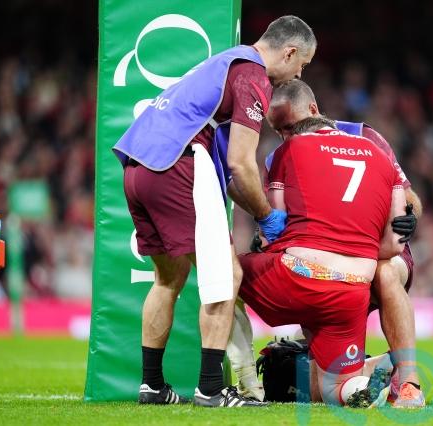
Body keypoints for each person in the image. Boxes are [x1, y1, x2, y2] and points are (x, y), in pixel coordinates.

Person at [112, 16, 316, 407]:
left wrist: (257, 210)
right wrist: (266, 216)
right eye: (302, 65)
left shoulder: (223, 63)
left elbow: (229, 175)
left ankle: (152, 386)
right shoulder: (252, 75)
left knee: (168, 277)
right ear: (289, 52)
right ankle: (210, 389)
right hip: (177, 165)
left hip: (138, 165)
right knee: (227, 275)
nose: (298, 74)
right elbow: (241, 163)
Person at [264, 79, 424, 407]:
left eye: (289, 127)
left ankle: (409, 384)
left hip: (378, 253)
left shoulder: (365, 137)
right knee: (323, 392)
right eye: (277, 130)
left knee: (384, 273)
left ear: (312, 110)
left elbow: (410, 199)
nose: (285, 136)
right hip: (326, 265)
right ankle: (379, 367)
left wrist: (410, 216)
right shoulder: (279, 157)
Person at [239, 115, 407, 405]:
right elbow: (394, 243)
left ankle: (241, 384)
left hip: (297, 278)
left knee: (224, 275)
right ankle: (381, 370)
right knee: (334, 391)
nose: (282, 135)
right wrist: (356, 251)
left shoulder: (291, 149)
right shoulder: (382, 156)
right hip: (353, 289)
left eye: (284, 130)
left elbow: (274, 231)